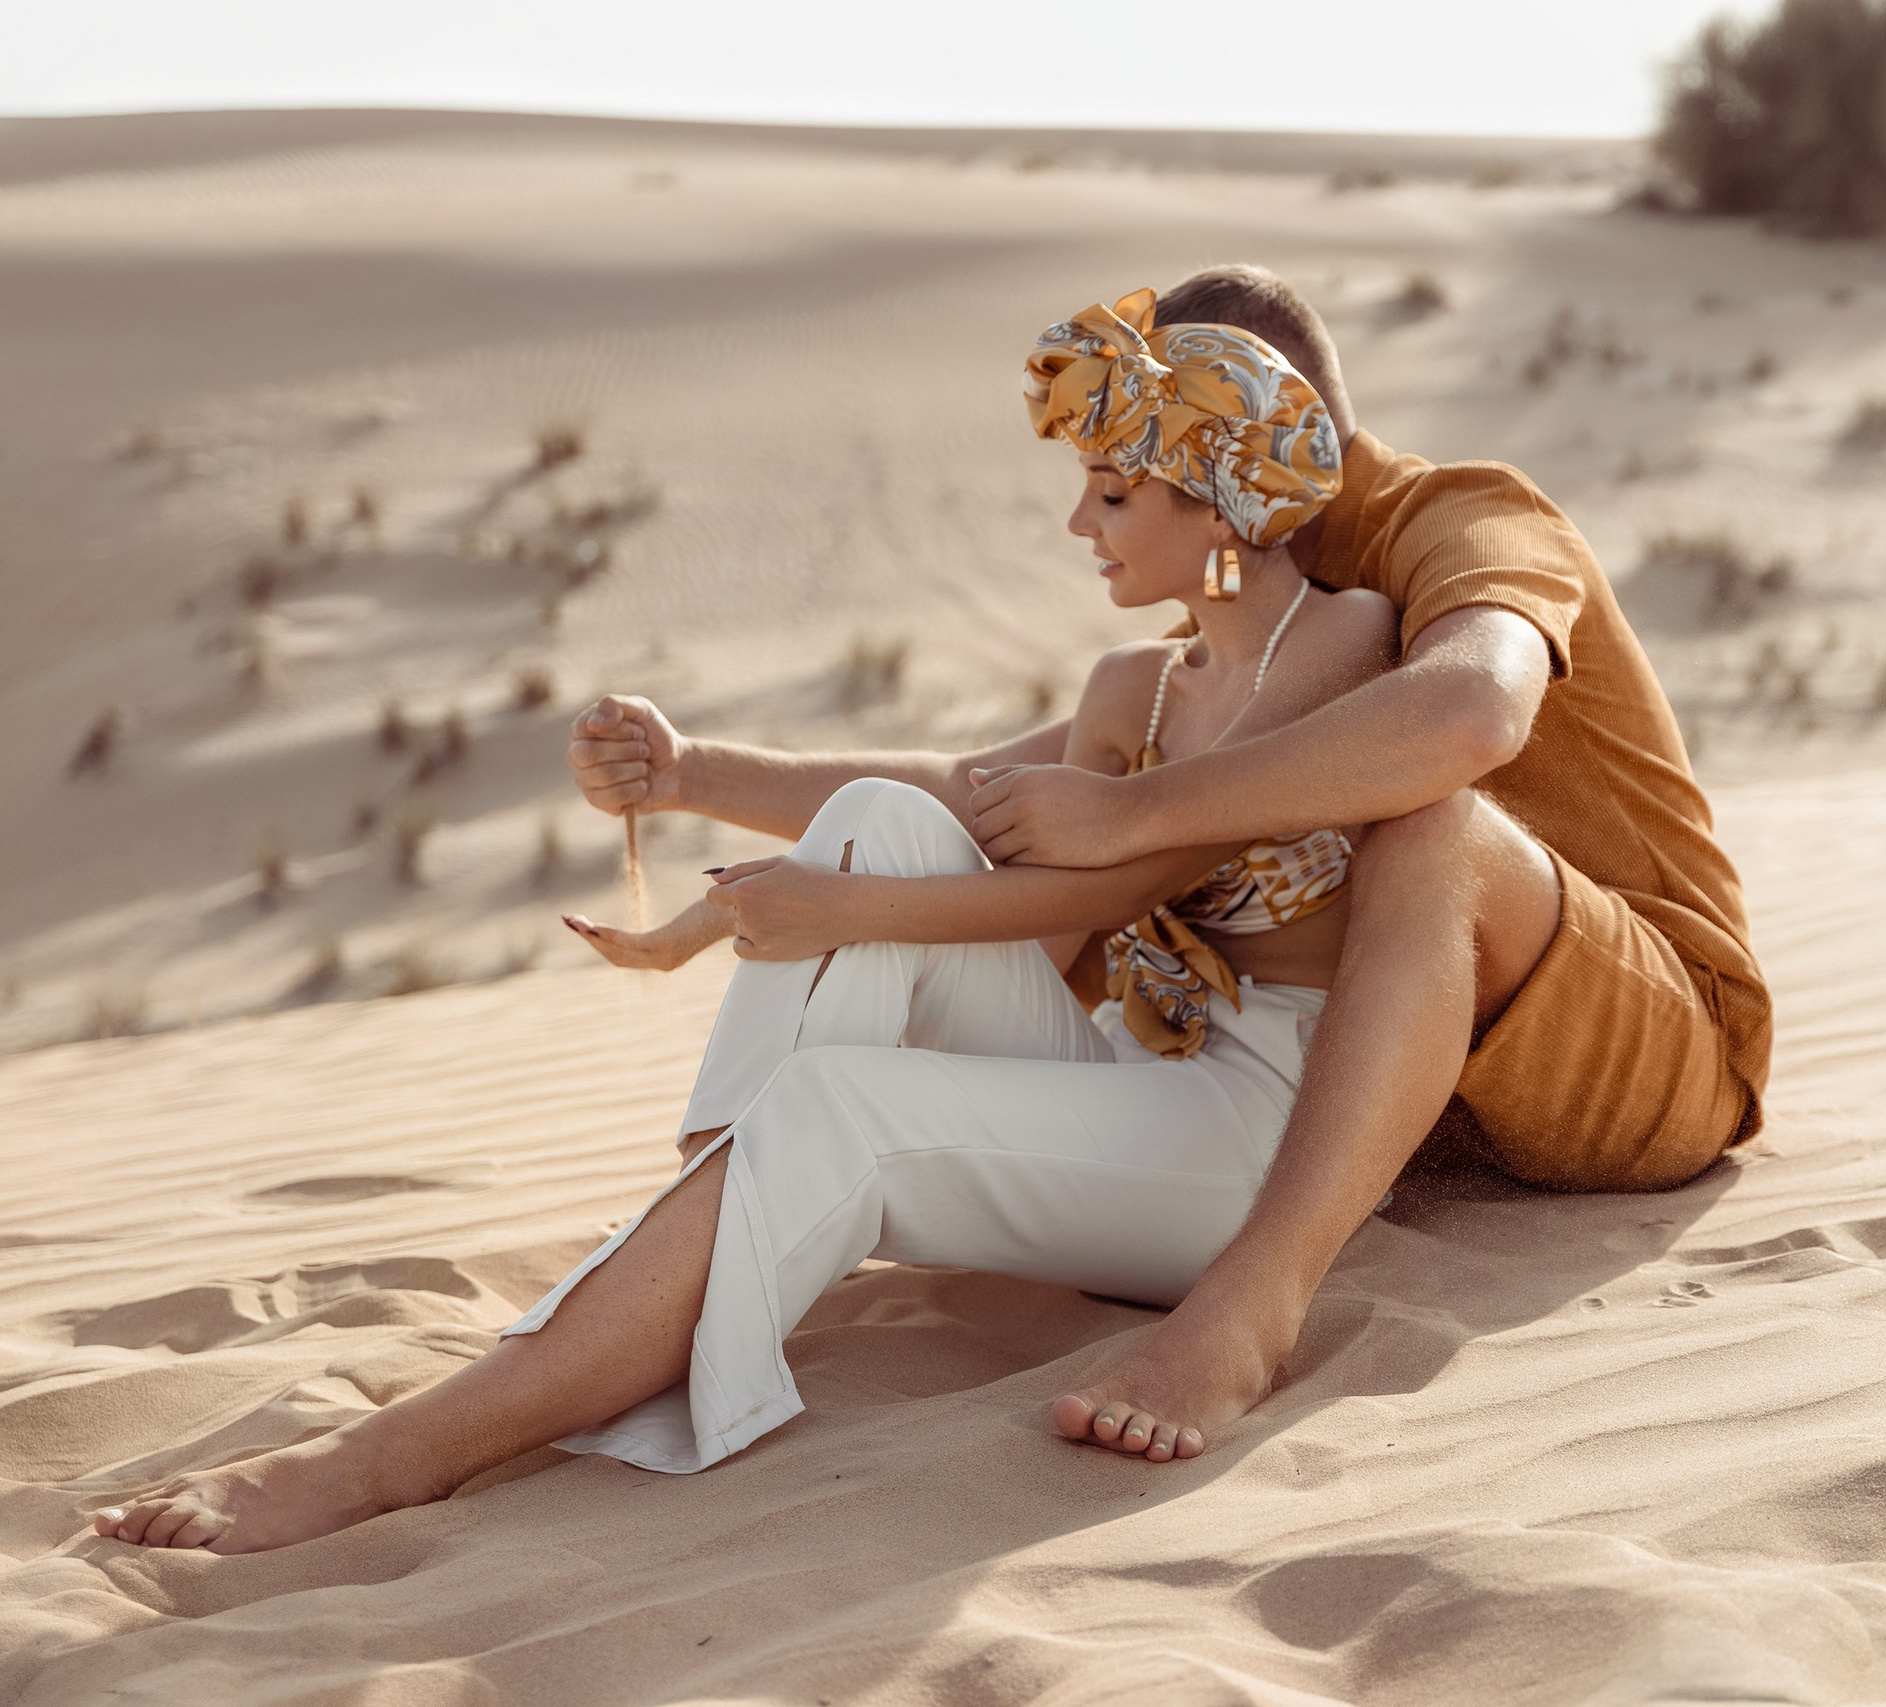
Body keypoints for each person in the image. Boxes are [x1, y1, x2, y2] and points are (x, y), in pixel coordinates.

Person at [91, 293, 1396, 1553]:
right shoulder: (1135, 683)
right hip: (1131, 1072)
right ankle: (685, 1254)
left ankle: (415, 1442)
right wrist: (703, 886)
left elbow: (1106, 889)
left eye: (1112, 492)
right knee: (886, 813)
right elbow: (957, 824)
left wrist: (837, 908)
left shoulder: (1346, 648)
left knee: (841, 1098)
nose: (1076, 521)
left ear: (1215, 492)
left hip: (1260, 1141)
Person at [571, 265, 1771, 1461]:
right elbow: (984, 792)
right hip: (1435, 1093)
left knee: (1430, 816)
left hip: (1649, 1048)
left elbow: (1463, 719)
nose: (1103, 489)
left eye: (1136, 443)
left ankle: (1253, 1310)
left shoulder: (1464, 522)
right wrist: (690, 774)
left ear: (1244, 410)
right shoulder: (1237, 590)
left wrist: (1133, 816)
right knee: (912, 834)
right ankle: (705, 1232)